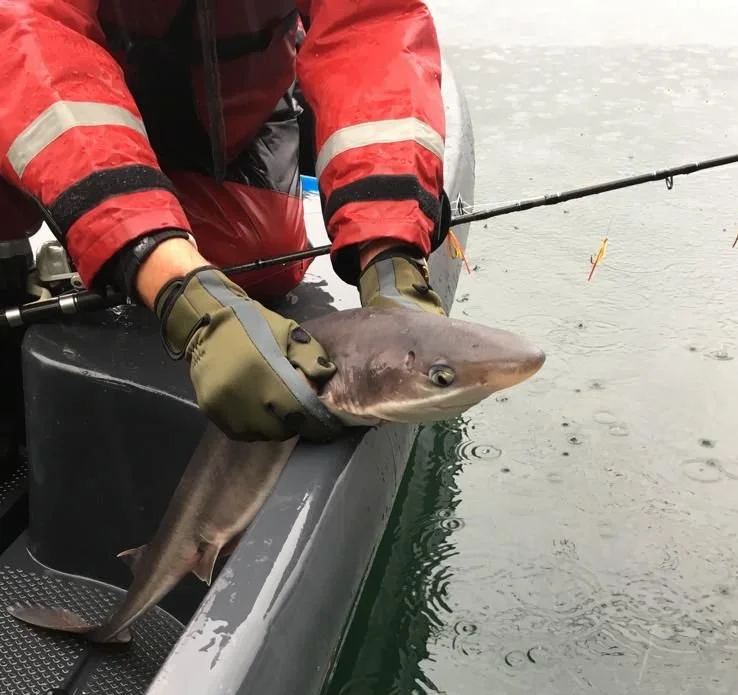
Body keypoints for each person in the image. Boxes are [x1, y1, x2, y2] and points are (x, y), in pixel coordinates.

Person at [0, 1, 452, 444]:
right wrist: (182, 287)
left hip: (226, 112)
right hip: (50, 88)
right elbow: (27, 37)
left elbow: (369, 28)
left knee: (259, 262)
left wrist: (391, 252)